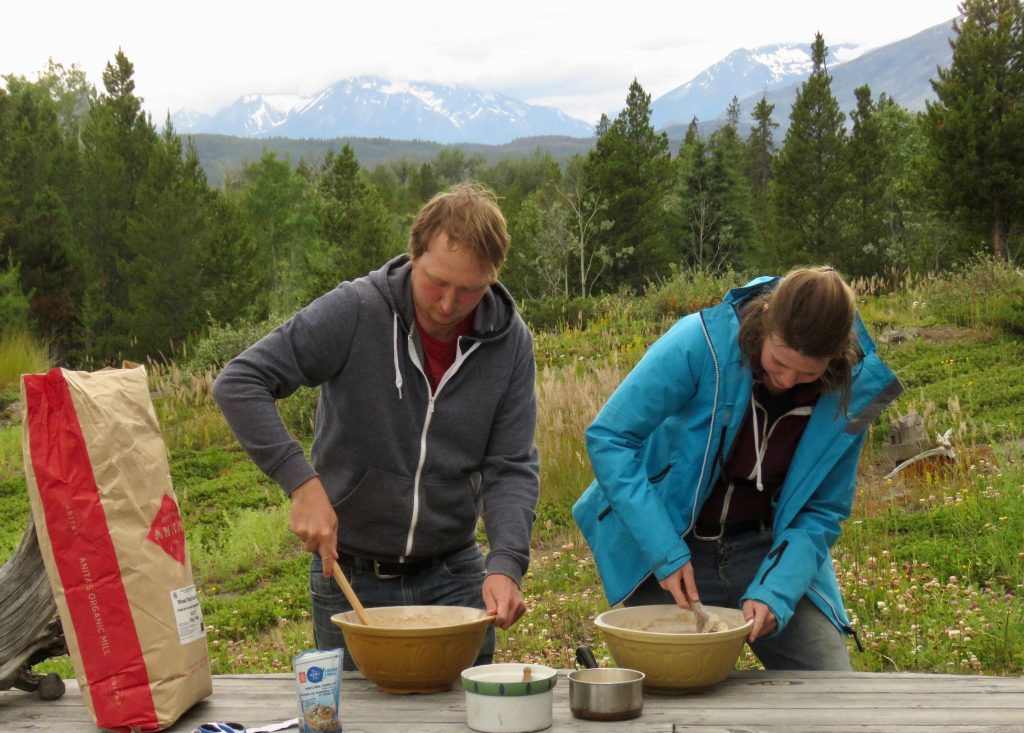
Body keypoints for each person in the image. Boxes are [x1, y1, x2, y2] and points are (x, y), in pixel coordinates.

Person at [212, 182, 540, 670]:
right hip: (349, 575)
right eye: (436, 283)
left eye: (469, 290)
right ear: (414, 255)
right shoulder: (356, 310)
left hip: (454, 572)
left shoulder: (510, 344)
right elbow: (239, 382)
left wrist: (507, 563)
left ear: (492, 278)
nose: (449, 305)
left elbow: (511, 466)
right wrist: (301, 483)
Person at [572, 267, 903, 670]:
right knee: (672, 689)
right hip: (676, 545)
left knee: (827, 691)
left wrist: (776, 592)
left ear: (835, 358)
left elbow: (823, 510)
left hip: (768, 552)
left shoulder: (852, 391)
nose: (788, 381)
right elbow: (610, 438)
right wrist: (664, 551)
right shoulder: (700, 343)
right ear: (764, 318)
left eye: (809, 374)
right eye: (779, 362)